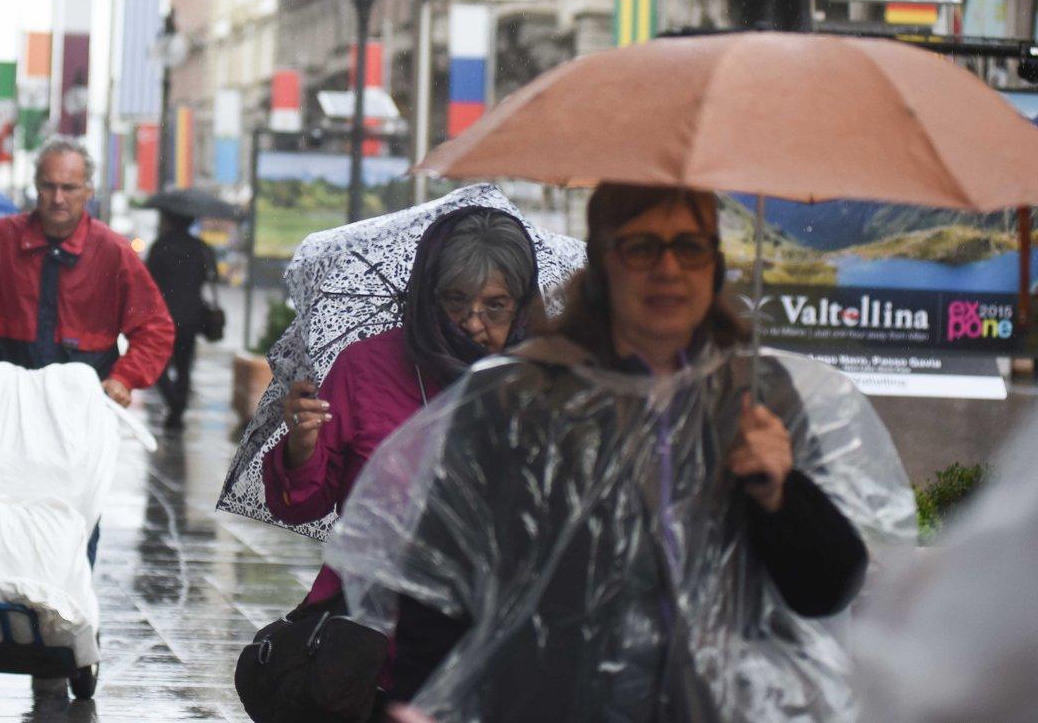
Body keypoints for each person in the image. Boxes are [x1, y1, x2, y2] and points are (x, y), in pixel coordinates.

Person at [327, 183, 912, 722]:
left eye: (689, 247)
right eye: (641, 247)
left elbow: (829, 589)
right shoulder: (516, 398)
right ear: (603, 265)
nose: (667, 268)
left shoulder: (759, 397)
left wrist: (782, 494)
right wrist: (419, 702)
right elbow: (440, 582)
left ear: (715, 265)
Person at [264, 207, 540, 612]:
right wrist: (301, 449)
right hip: (372, 618)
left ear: (521, 307)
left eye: (495, 306)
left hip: (490, 616)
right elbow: (299, 506)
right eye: (456, 301)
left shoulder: (538, 381)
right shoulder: (365, 369)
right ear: (428, 296)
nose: (473, 324)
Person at [0, 136, 175, 563]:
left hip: (80, 408)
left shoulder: (113, 252)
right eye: (49, 186)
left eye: (69, 187)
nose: (58, 198)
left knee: (76, 512)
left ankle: (71, 605)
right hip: (8, 399)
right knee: (3, 504)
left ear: (88, 191)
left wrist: (124, 378)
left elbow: (154, 327)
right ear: (35, 187)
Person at [144, 209, 217, 429]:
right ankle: (179, 407)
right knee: (184, 366)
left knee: (157, 365)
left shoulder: (160, 245)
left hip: (163, 316)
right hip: (191, 317)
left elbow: (147, 278)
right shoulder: (200, 247)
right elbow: (211, 276)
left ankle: (174, 402)